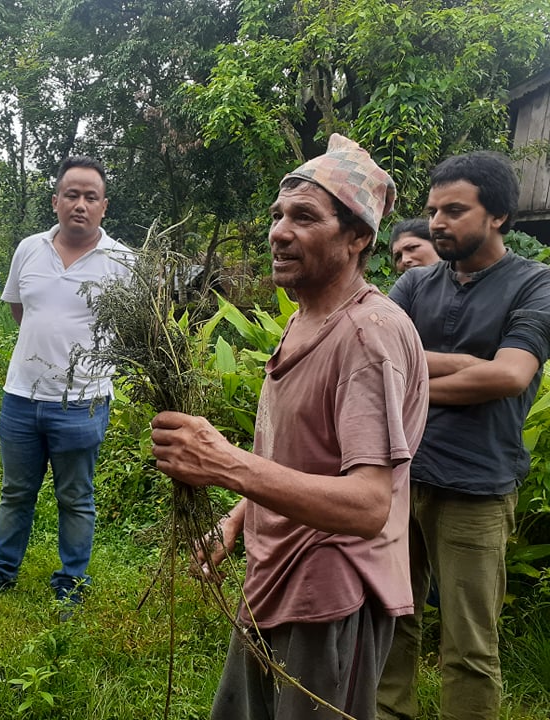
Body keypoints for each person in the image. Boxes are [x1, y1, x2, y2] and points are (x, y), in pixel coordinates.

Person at [150, 134, 429, 720]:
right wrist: (235, 521)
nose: (279, 230)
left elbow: (367, 505)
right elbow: (303, 454)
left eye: (305, 216)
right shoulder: (306, 315)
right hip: (274, 571)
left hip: (331, 593)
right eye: (278, 215)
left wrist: (223, 463)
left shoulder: (367, 336)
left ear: (358, 238)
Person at [377, 152, 550, 720]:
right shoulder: (415, 284)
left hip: (476, 484)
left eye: (455, 210)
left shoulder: (534, 284)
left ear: (498, 214)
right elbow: (372, 358)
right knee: (391, 622)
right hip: (400, 478)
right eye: (432, 211)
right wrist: (466, 365)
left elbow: (509, 375)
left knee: (469, 646)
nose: (437, 224)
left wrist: (412, 371)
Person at [0, 156, 132, 613]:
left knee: (76, 497)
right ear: (56, 200)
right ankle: (0, 573)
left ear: (103, 206)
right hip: (21, 397)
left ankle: (71, 583)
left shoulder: (123, 262)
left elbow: (135, 330)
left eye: (90, 197)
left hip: (82, 402)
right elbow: (20, 310)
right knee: (15, 492)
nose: (80, 204)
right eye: (72, 195)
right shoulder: (29, 249)